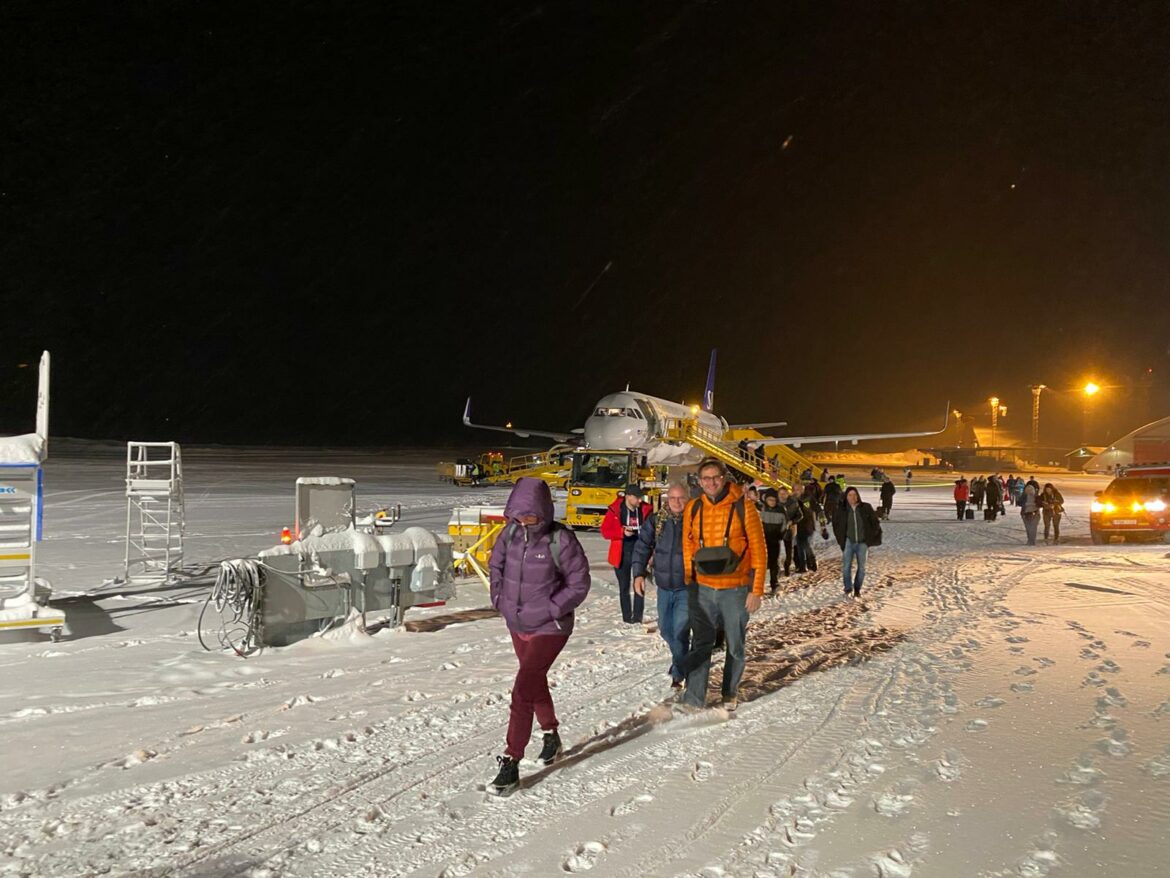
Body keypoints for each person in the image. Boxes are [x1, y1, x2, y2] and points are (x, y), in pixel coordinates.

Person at [488, 477, 592, 794]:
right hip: (517, 624)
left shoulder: (561, 540)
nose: (524, 521)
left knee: (522, 690)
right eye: (518, 515)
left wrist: (551, 609)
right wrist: (499, 600)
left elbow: (579, 584)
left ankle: (511, 760)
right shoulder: (510, 535)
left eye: (530, 515)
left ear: (544, 511)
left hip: (550, 626)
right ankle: (550, 733)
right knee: (534, 682)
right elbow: (496, 567)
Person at [680, 457, 767, 711]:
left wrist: (756, 590)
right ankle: (694, 698)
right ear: (699, 481)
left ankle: (729, 691)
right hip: (704, 588)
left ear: (724, 477)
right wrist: (689, 578)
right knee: (701, 643)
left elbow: (759, 550)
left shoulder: (744, 507)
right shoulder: (693, 508)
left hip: (735, 588)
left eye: (715, 477)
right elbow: (688, 545)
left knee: (735, 643)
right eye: (705, 478)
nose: (711, 483)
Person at [632, 483, 691, 690]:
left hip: (687, 587)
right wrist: (638, 573)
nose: (676, 502)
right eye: (673, 498)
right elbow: (642, 546)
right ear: (667, 500)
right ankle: (684, 663)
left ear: (687, 498)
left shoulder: (695, 520)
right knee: (666, 630)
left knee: (680, 631)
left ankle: (678, 673)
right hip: (664, 586)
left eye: (681, 497)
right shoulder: (657, 521)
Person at [600, 484, 653, 624]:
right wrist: (622, 532)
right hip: (622, 552)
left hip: (640, 551)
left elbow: (653, 531)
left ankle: (637, 618)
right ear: (628, 496)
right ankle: (626, 617)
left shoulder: (646, 510)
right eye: (637, 498)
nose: (640, 501)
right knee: (624, 586)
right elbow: (605, 531)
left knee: (639, 582)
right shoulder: (615, 510)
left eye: (641, 498)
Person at [832, 486, 882, 598]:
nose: (852, 497)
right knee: (846, 567)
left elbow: (875, 523)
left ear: (858, 495)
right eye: (850, 495)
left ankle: (857, 589)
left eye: (854, 495)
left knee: (862, 568)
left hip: (862, 543)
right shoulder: (842, 509)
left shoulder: (866, 507)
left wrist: (870, 537)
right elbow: (836, 526)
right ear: (846, 496)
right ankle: (848, 587)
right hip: (849, 542)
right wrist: (841, 540)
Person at [759, 489, 794, 593]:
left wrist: (782, 533)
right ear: (766, 500)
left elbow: (785, 523)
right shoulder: (763, 508)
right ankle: (757, 585)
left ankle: (774, 583)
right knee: (762, 562)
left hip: (775, 539)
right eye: (770, 500)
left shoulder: (781, 509)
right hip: (763, 539)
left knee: (774, 562)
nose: (772, 502)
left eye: (774, 500)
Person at [793, 481, 823, 573]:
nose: (797, 491)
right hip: (797, 526)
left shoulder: (809, 499)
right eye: (795, 489)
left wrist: (823, 525)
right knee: (799, 546)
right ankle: (802, 566)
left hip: (808, 526)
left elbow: (819, 511)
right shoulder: (792, 500)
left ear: (803, 490)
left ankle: (813, 562)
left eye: (799, 489)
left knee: (806, 545)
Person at [777, 484, 803, 576]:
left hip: (789, 530)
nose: (782, 495)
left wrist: (792, 521)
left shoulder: (793, 503)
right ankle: (777, 568)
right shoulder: (774, 503)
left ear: (787, 494)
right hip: (777, 530)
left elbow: (800, 515)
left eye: (784, 494)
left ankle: (787, 566)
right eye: (780, 494)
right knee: (776, 550)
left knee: (789, 551)